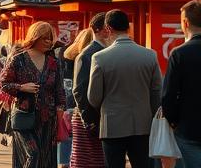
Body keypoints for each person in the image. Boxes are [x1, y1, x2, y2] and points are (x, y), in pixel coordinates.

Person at [87, 10, 161, 168]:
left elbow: (93, 97)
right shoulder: (150, 55)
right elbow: (156, 92)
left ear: (108, 28)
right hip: (143, 124)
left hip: (112, 125)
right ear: (128, 27)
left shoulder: (100, 58)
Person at [0, 21, 65, 168]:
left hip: (48, 118)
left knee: (46, 159)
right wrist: (21, 87)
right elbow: (3, 84)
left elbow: (60, 91)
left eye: (50, 38)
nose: (48, 42)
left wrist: (61, 116)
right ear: (35, 38)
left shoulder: (53, 62)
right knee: (33, 154)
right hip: (24, 116)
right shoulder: (19, 59)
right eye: (44, 38)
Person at [161, 0, 201, 165]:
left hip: (188, 127)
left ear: (185, 22)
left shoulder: (180, 53)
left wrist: (174, 121)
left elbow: (169, 95)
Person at [71, 14, 109, 168]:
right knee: (88, 161)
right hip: (88, 117)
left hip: (98, 118)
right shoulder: (87, 55)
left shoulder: (103, 52)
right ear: (102, 30)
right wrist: (90, 121)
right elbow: (79, 90)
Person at [57, 30, 91, 168]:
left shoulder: (64, 54)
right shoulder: (89, 57)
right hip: (81, 102)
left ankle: (64, 162)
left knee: (67, 134)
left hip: (66, 100)